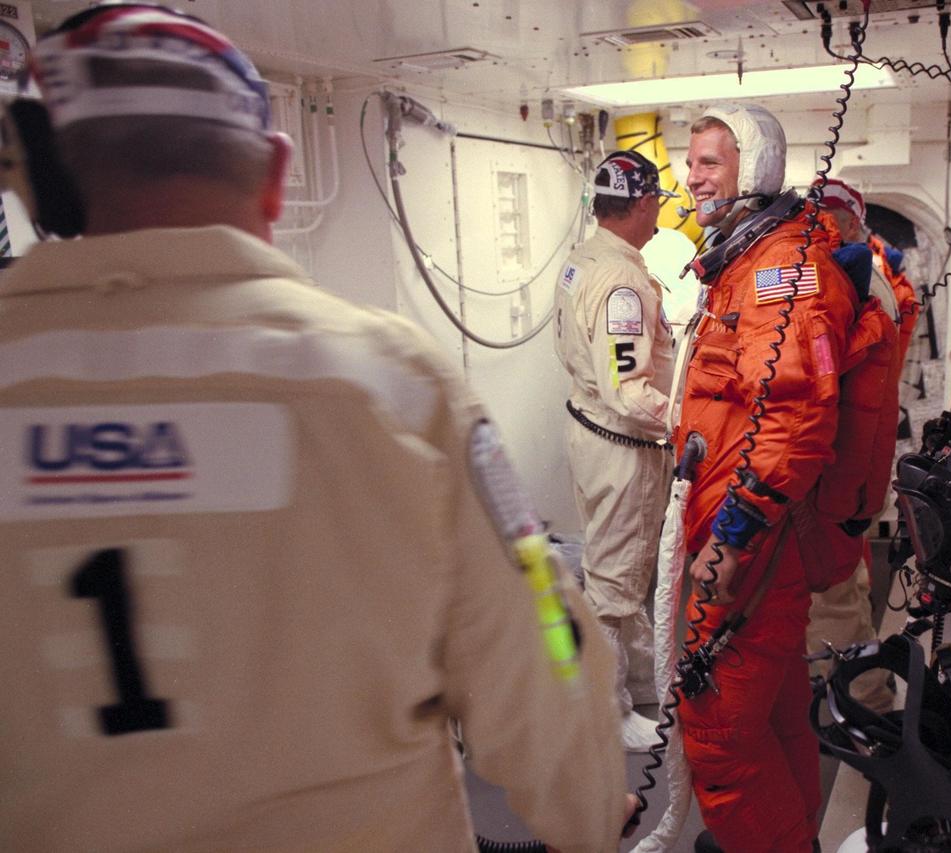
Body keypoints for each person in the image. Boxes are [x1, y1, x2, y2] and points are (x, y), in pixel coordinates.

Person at [0, 7, 630, 852]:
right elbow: (546, 647)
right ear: (275, 175)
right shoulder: (390, 386)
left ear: (35, 183)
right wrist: (585, 809)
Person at [676, 104, 861, 852]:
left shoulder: (781, 273)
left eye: (710, 162)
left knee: (715, 730)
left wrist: (732, 537)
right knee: (779, 714)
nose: (693, 177)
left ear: (752, 169)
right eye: (689, 163)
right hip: (755, 535)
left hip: (751, 541)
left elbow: (793, 416)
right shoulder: (747, 266)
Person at [553, 150, 677, 751]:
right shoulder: (622, 280)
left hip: (591, 433)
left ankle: (638, 683)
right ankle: (610, 713)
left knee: (617, 571)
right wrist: (685, 421)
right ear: (645, 203)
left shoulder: (583, 261)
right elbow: (628, 389)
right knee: (614, 583)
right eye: (657, 204)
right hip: (623, 446)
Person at [803, 180, 902, 717]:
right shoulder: (863, 279)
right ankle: (851, 693)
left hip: (841, 473)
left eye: (834, 216)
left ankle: (870, 708)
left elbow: (828, 390)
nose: (826, 225)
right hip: (854, 471)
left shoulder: (854, 285)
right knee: (843, 588)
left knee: (835, 599)